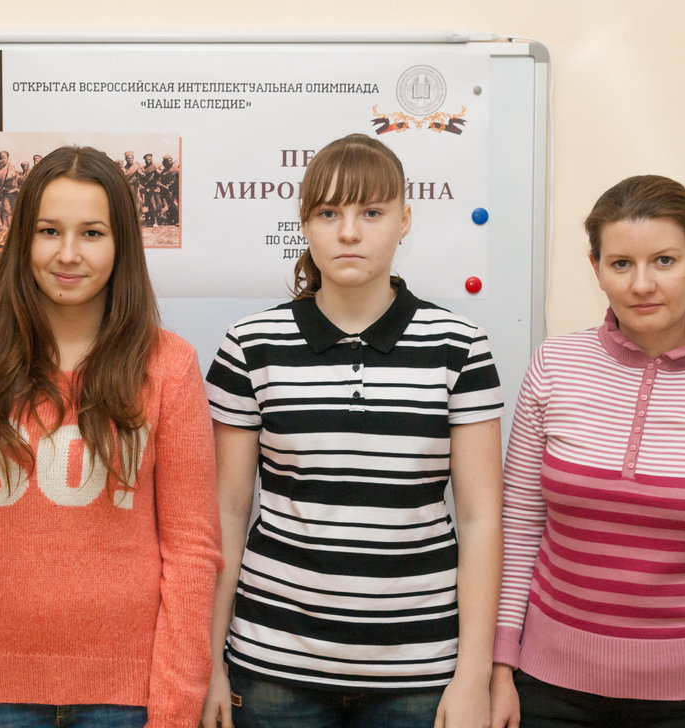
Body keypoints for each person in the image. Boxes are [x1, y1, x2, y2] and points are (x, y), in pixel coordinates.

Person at [0, 145, 221, 728]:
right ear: (22, 239)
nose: (68, 254)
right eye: (49, 231)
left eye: (92, 233)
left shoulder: (169, 367)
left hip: (126, 699)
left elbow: (191, 552)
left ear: (122, 245)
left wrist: (175, 710)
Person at [201, 133, 505, 728]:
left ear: (404, 220)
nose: (348, 232)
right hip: (273, 667)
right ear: (304, 225)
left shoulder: (460, 346)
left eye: (371, 212)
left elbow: (480, 519)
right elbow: (226, 513)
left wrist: (473, 676)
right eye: (328, 213)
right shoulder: (250, 345)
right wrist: (211, 662)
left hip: (420, 672)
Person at [489, 175, 685, 728]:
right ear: (595, 268)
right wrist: (499, 667)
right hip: (545, 692)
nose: (642, 284)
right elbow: (517, 531)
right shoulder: (554, 367)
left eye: (664, 260)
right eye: (620, 264)